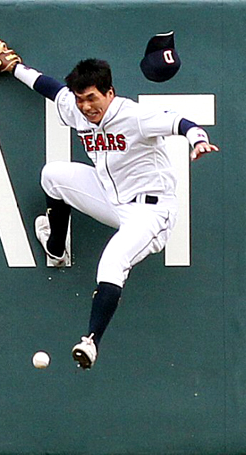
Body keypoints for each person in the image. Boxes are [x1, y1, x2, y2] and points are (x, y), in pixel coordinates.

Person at [11, 58, 219, 369]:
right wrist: (12, 66)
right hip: (111, 196)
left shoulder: (134, 116)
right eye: (81, 99)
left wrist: (198, 139)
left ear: (110, 92)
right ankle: (55, 247)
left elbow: (179, 122)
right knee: (52, 175)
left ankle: (91, 341)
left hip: (151, 212)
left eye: (92, 98)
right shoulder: (78, 106)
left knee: (112, 261)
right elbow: (52, 89)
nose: (85, 106)